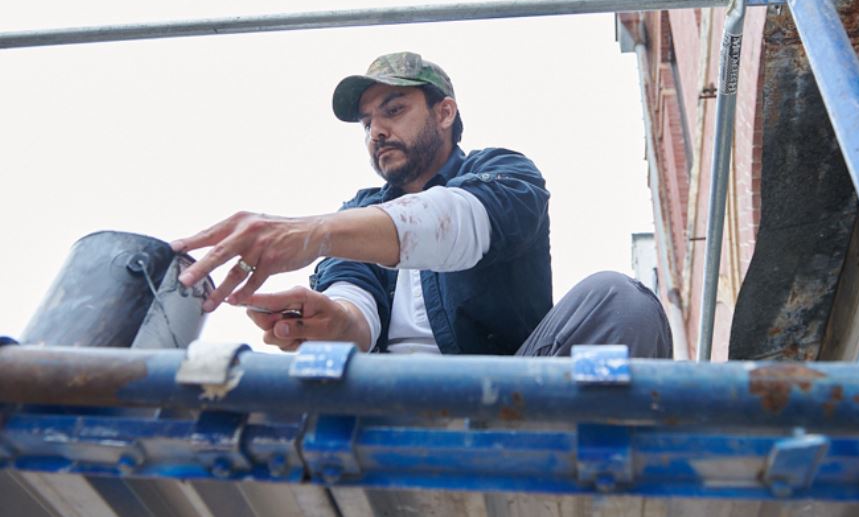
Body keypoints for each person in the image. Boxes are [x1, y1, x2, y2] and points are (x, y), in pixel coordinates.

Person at [172, 51, 672, 359]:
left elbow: (460, 222)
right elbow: (355, 304)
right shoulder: (356, 213)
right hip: (392, 408)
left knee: (620, 298)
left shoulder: (503, 171)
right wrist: (333, 319)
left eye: (394, 110)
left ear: (445, 112)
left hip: (516, 397)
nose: (377, 131)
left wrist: (313, 232)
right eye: (367, 123)